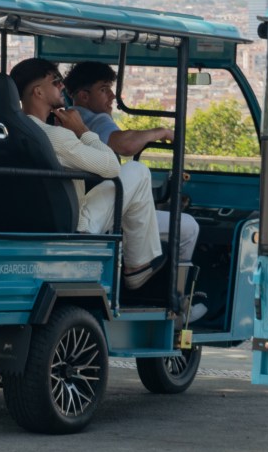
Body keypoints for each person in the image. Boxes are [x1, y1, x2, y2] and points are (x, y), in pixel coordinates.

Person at [11, 58, 163, 290]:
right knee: (137, 171)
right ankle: (137, 266)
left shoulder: (10, 132)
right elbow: (112, 165)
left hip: (23, 222)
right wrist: (82, 130)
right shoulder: (55, 136)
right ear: (38, 92)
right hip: (73, 224)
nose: (62, 86)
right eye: (56, 81)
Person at [63, 61, 200, 269]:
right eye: (104, 89)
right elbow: (125, 145)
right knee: (188, 227)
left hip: (81, 204)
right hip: (95, 212)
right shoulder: (93, 119)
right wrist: (160, 132)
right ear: (83, 96)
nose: (112, 96)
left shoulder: (65, 118)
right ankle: (175, 294)